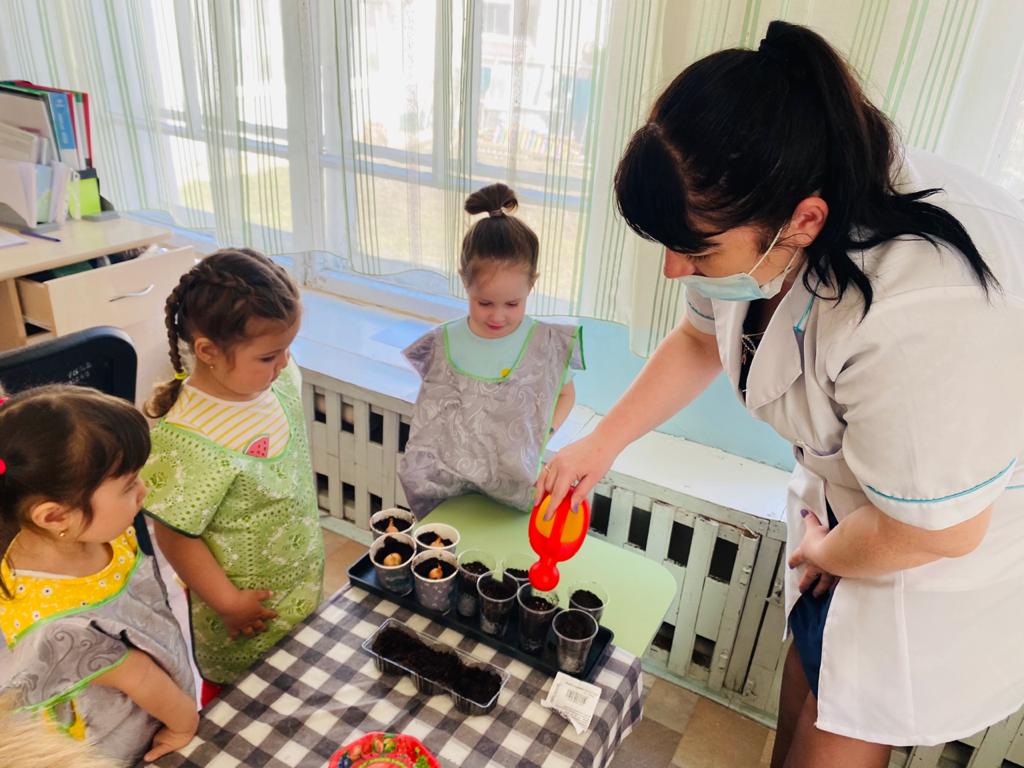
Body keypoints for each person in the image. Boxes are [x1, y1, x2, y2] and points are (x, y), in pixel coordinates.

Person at [539, 20, 1024, 768]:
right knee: (800, 699)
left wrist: (830, 548)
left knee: (836, 726)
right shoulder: (761, 202)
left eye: (695, 250)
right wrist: (599, 444)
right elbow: (699, 338)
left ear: (804, 221)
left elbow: (940, 530)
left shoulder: (924, 305)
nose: (674, 270)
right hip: (846, 513)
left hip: (929, 544)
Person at [142, 248, 324, 706]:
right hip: (243, 617)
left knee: (300, 687)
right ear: (207, 351)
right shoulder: (187, 437)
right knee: (247, 711)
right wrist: (227, 603)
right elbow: (175, 536)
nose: (283, 363)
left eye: (287, 348)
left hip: (297, 590)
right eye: (268, 356)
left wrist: (273, 360)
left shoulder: (279, 380)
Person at [0, 386, 197, 764]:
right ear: (55, 516)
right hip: (125, 740)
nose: (143, 490)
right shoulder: (59, 627)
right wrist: (183, 725)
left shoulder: (92, 530)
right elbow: (141, 679)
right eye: (128, 485)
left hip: (159, 687)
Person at [400, 183, 584, 517]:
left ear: (532, 284)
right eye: (484, 303)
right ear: (464, 281)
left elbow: (566, 395)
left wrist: (544, 432)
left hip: (514, 493)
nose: (498, 316)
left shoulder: (546, 345)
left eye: (512, 304)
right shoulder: (441, 343)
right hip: (448, 494)